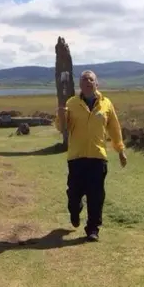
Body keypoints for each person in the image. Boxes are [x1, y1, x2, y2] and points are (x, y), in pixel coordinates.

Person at [55, 70, 127, 242]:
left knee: (96, 195)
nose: (88, 81)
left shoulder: (106, 104)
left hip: (97, 156)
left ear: (97, 84)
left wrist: (120, 150)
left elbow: (114, 129)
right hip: (76, 157)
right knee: (74, 193)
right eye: (84, 79)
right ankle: (75, 208)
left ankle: (93, 228)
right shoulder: (71, 103)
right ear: (80, 85)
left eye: (91, 79)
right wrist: (60, 114)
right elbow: (61, 127)